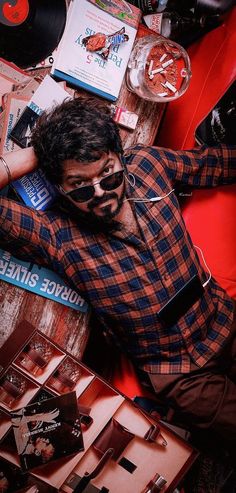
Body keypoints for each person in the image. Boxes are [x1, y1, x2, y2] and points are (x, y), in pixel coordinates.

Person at [0, 96, 235, 446]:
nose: (100, 193)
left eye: (108, 175)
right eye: (79, 185)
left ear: (119, 156)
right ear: (58, 186)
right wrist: (40, 152)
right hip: (177, 373)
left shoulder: (149, 165)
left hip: (222, 318)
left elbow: (217, 163)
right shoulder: (56, 236)